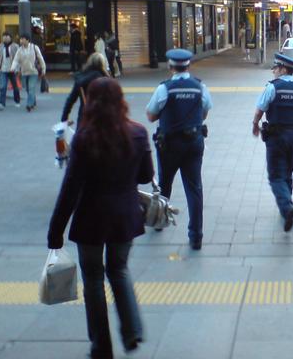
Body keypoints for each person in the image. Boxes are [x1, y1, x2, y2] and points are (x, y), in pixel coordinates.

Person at [48, 78, 153, 359]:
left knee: (93, 278)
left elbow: (70, 188)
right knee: (118, 270)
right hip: (124, 217)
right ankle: (132, 332)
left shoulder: (84, 138)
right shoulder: (139, 133)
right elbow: (145, 176)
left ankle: (101, 346)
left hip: (91, 218)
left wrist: (55, 231)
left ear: (91, 103)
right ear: (121, 100)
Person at [146, 49, 212, 250]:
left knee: (165, 183)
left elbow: (150, 115)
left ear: (170, 65)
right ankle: (196, 236)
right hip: (194, 142)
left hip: (170, 145)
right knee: (194, 188)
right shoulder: (200, 86)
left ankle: (159, 221)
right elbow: (205, 111)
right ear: (188, 65)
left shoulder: (164, 88)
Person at [252, 53, 293, 232]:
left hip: (276, 137)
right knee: (288, 171)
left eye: (275, 68)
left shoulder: (272, 87)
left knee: (275, 175)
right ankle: (287, 204)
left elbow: (260, 110)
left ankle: (286, 207)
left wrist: (255, 125)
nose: (273, 71)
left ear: (283, 69)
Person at [61, 52, 109, 127]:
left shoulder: (81, 78)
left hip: (84, 117)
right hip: (101, 119)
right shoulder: (106, 80)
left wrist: (64, 118)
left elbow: (70, 100)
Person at [11, 33, 45, 112]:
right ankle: (33, 101)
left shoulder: (34, 47)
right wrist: (13, 68)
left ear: (27, 40)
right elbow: (16, 60)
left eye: (22, 39)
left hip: (33, 71)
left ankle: (29, 105)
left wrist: (43, 69)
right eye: (20, 39)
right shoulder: (20, 50)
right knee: (27, 89)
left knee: (31, 87)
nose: (21, 40)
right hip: (24, 72)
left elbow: (40, 58)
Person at [0, 31, 20, 110]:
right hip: (3, 69)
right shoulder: (0, 46)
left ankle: (17, 100)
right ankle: (2, 103)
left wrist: (18, 69)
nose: (5, 38)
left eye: (7, 36)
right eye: (4, 36)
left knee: (15, 87)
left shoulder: (15, 46)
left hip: (12, 70)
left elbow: (18, 58)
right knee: (3, 87)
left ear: (10, 37)